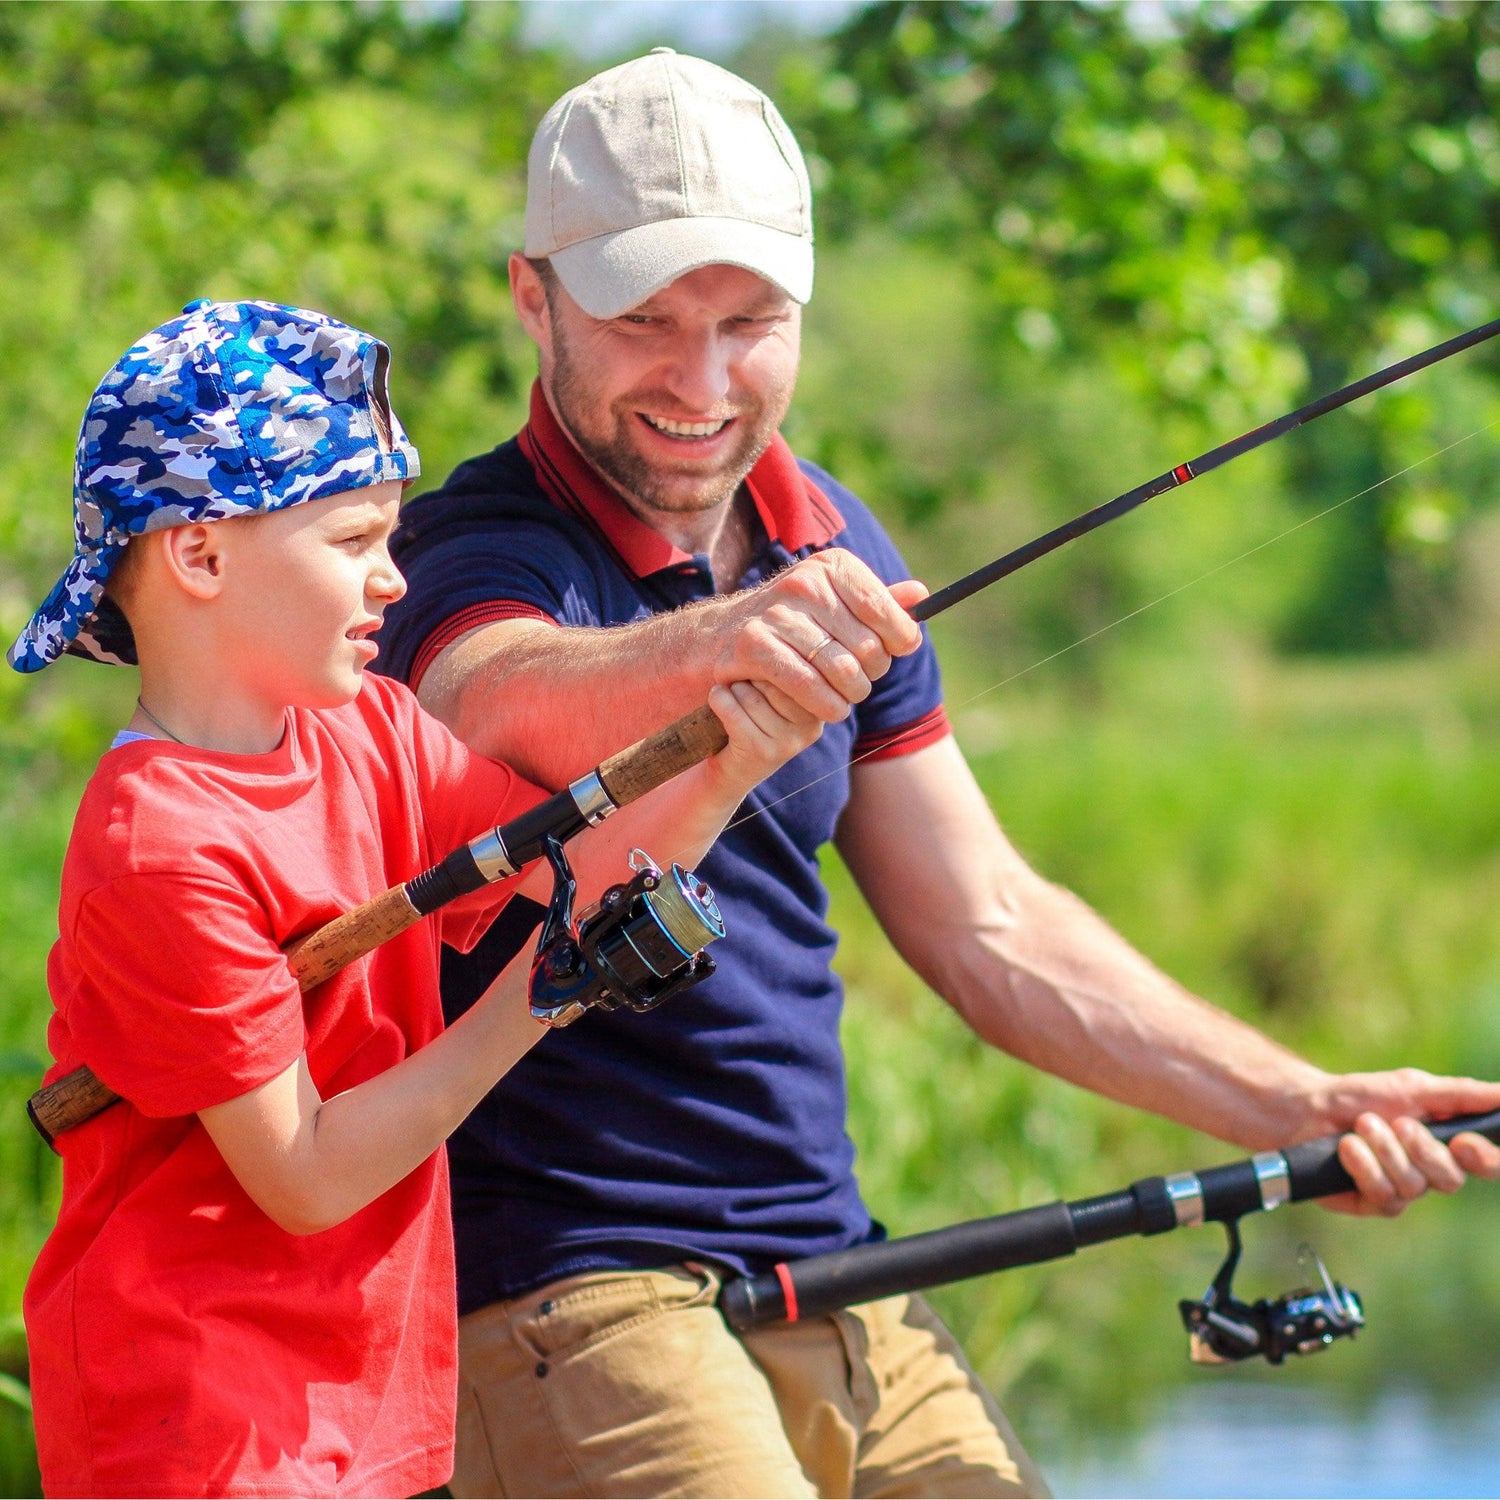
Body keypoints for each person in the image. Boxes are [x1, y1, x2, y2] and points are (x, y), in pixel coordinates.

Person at [376, 51, 1500, 1500]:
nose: (703, 382)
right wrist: (728, 645)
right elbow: (489, 700)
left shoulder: (833, 539)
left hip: (831, 1267)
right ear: (535, 299)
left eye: (750, 323)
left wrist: (1296, 1105)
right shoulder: (472, 552)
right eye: (645, 321)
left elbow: (988, 924)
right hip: (565, 1287)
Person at [10, 298, 825, 1499]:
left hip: (369, 1393)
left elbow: (577, 870)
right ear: (198, 554)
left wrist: (736, 755)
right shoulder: (161, 842)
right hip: (199, 1424)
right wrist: (541, 1000)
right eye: (352, 541)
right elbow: (311, 1176)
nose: (395, 578)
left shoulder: (372, 732)